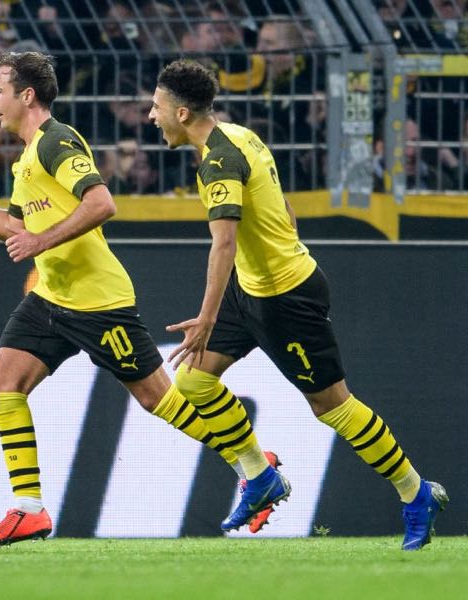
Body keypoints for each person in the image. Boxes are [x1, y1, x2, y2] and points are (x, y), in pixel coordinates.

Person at [0, 51, 286, 548]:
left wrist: (39, 242)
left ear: (25, 96)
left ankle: (253, 466)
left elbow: (102, 203)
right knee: (5, 382)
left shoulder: (58, 141)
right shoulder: (29, 157)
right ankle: (28, 508)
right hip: (52, 298)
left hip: (98, 303)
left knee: (158, 399)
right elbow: (13, 227)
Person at [148, 59, 448, 550]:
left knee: (332, 407)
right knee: (194, 380)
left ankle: (417, 494)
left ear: (181, 113)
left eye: (156, 107)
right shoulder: (241, 135)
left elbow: (222, 244)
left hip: (286, 298)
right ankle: (260, 476)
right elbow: (282, 205)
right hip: (254, 288)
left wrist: (206, 317)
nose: (150, 115)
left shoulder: (217, 163)